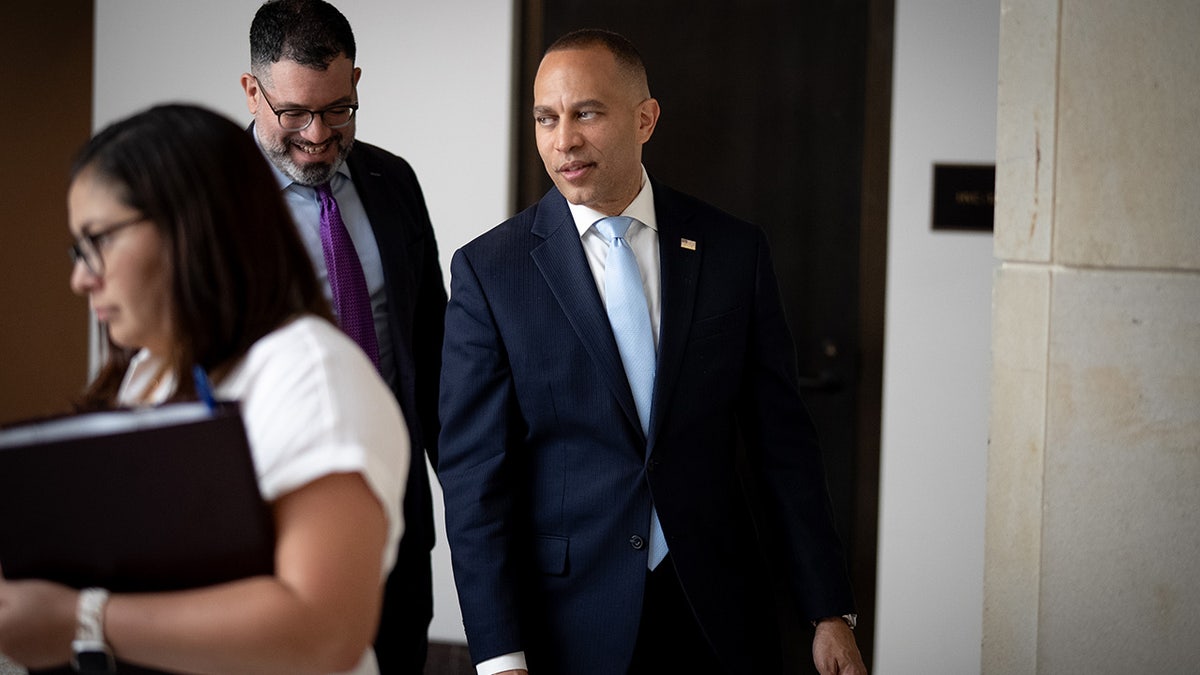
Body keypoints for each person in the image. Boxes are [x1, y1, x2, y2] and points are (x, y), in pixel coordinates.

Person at [437, 29, 868, 675]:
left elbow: (785, 446)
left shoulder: (732, 252)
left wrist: (829, 609)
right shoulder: (490, 272)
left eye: (586, 112)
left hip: (716, 613)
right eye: (546, 118)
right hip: (566, 621)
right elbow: (475, 484)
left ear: (645, 119)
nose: (564, 140)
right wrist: (500, 654)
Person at [0, 104, 408, 675]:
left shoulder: (310, 373)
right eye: (78, 248)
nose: (81, 277)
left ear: (190, 224)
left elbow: (323, 630)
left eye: (100, 240)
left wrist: (82, 621)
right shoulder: (149, 373)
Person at [239, 2, 447, 672]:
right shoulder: (212, 203)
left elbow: (433, 350)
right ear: (252, 90)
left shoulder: (395, 182)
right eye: (294, 113)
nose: (318, 135)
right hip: (270, 522)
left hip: (396, 514)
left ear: (356, 80)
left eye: (339, 109)